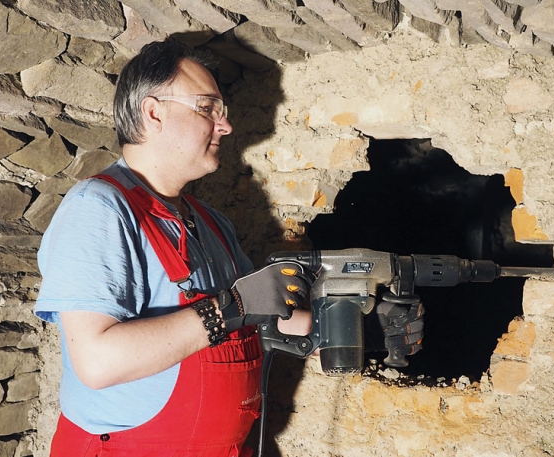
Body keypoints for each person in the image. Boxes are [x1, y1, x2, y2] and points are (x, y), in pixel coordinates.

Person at [35, 38, 423, 457]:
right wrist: (230, 308)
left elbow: (260, 315)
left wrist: (357, 325)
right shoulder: (99, 207)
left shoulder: (212, 223)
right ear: (153, 113)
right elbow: (97, 362)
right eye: (207, 108)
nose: (225, 126)